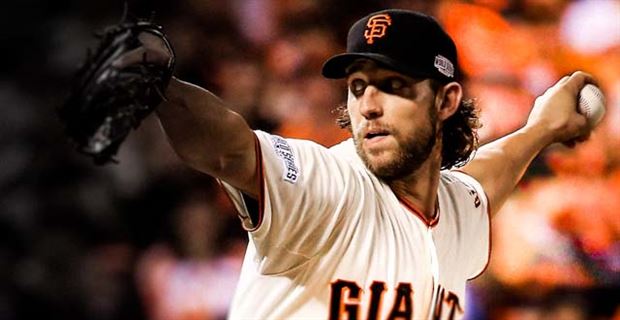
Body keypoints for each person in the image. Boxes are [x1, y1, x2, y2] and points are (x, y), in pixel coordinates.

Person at [130, 8, 595, 319]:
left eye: (392, 85)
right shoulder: (329, 184)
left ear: (446, 100)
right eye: (357, 87)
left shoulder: (457, 207)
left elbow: (483, 181)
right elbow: (229, 147)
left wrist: (541, 130)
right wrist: (161, 87)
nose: (368, 104)